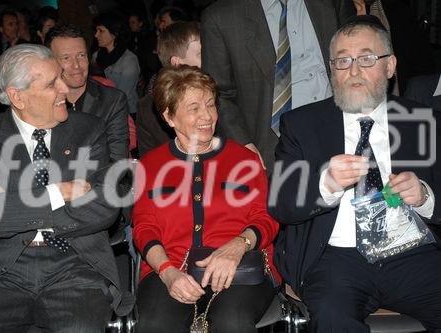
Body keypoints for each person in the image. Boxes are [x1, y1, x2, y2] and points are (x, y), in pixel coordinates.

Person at [0, 44, 133, 332]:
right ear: (18, 96)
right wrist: (61, 192)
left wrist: (11, 200)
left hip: (75, 263)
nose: (65, 90)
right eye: (51, 84)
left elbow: (104, 208)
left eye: (61, 78)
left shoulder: (88, 131)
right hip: (0, 268)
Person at [269, 15, 441, 331]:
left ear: (390, 66)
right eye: (343, 61)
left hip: (411, 255)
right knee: (333, 317)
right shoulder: (302, 125)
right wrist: (325, 185)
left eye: (366, 58)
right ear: (331, 70)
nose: (354, 71)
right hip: (336, 259)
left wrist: (426, 196)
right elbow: (280, 204)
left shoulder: (423, 120)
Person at [133, 65, 280, 333]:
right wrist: (168, 272)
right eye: (194, 108)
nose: (207, 116)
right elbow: (144, 228)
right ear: (169, 116)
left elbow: (267, 218)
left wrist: (238, 245)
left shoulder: (244, 160)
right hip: (170, 266)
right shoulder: (150, 166)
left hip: (240, 267)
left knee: (231, 322)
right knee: (155, 324)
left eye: (211, 105)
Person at [201, 0, 355, 173]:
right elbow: (218, 94)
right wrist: (243, 144)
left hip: (343, 136)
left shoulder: (332, 4)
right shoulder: (222, 18)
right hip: (273, 154)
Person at [46, 24, 129, 162]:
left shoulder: (112, 100)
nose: (77, 65)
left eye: (81, 55)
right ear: (50, 62)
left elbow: (117, 162)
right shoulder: (42, 100)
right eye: (66, 58)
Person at [137, 21, 200, 157]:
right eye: (200, 54)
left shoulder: (219, 91)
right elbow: (149, 162)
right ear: (177, 63)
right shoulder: (148, 109)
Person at [92, 12, 140, 117]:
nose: (96, 35)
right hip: (103, 110)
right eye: (96, 31)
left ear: (114, 33)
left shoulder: (129, 59)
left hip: (127, 112)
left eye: (101, 31)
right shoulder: (96, 56)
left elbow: (122, 95)